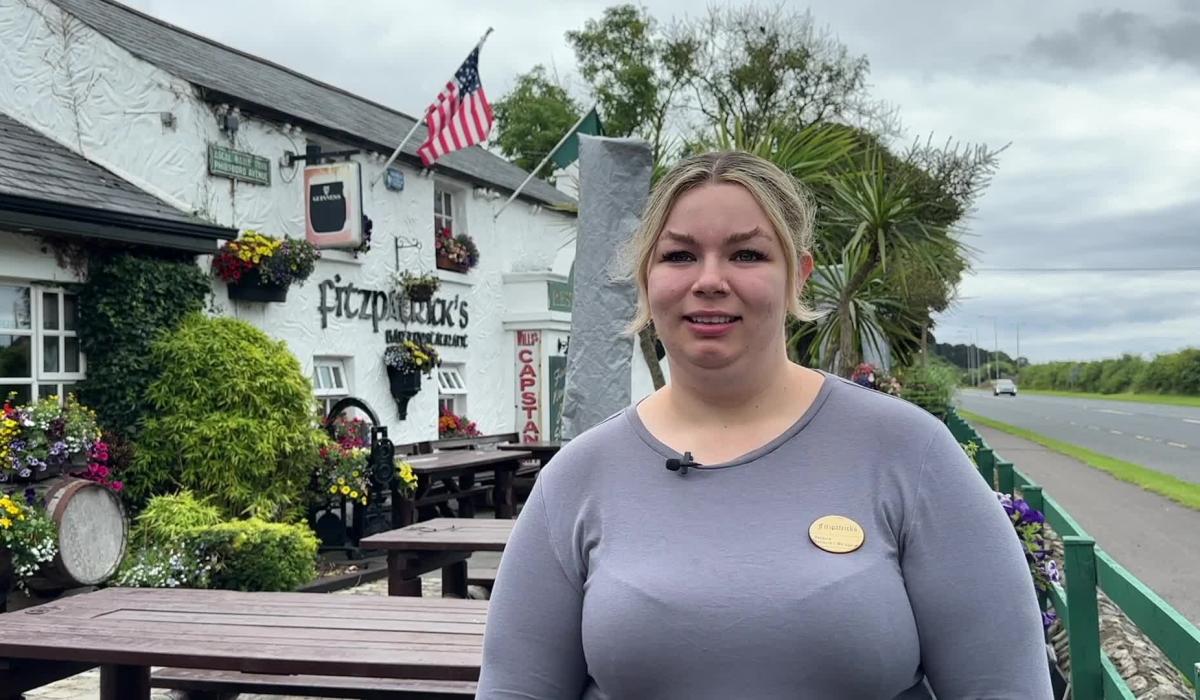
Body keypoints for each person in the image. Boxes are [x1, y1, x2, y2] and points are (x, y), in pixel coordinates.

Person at [477, 151, 1052, 699]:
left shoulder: (910, 452)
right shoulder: (577, 478)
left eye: (747, 255)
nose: (709, 280)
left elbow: (1002, 686)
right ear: (645, 277)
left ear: (798, 275)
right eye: (679, 256)